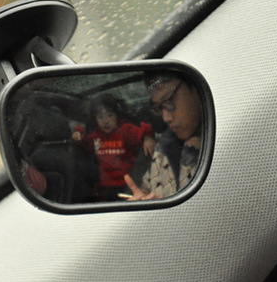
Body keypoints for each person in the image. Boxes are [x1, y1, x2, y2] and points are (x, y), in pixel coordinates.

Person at [124, 70, 202, 200]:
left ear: (196, 87)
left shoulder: (225, 143)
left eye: (169, 101)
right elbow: (147, 186)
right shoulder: (165, 145)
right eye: (159, 107)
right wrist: (142, 198)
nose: (166, 118)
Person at [72, 93, 156, 201]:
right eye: (100, 117)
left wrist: (148, 137)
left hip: (129, 186)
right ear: (95, 119)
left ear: (117, 115)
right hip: (105, 188)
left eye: (109, 115)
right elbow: (85, 143)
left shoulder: (125, 130)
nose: (105, 121)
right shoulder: (96, 136)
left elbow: (144, 130)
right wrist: (78, 132)